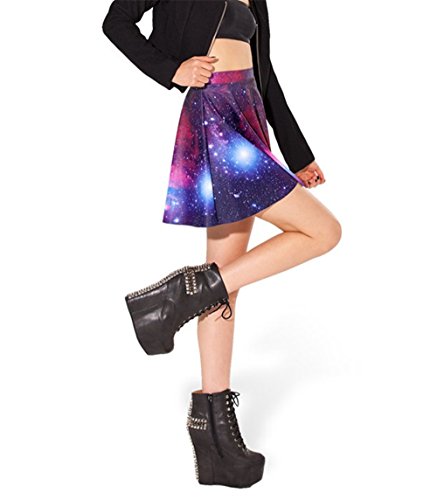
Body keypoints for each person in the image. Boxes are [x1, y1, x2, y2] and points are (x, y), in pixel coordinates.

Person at [103, 0, 342, 488]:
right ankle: (178, 295)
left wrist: (298, 154)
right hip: (213, 111)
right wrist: (172, 71)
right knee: (323, 231)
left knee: (224, 283)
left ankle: (214, 441)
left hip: (248, 114)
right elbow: (117, 21)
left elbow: (265, 72)